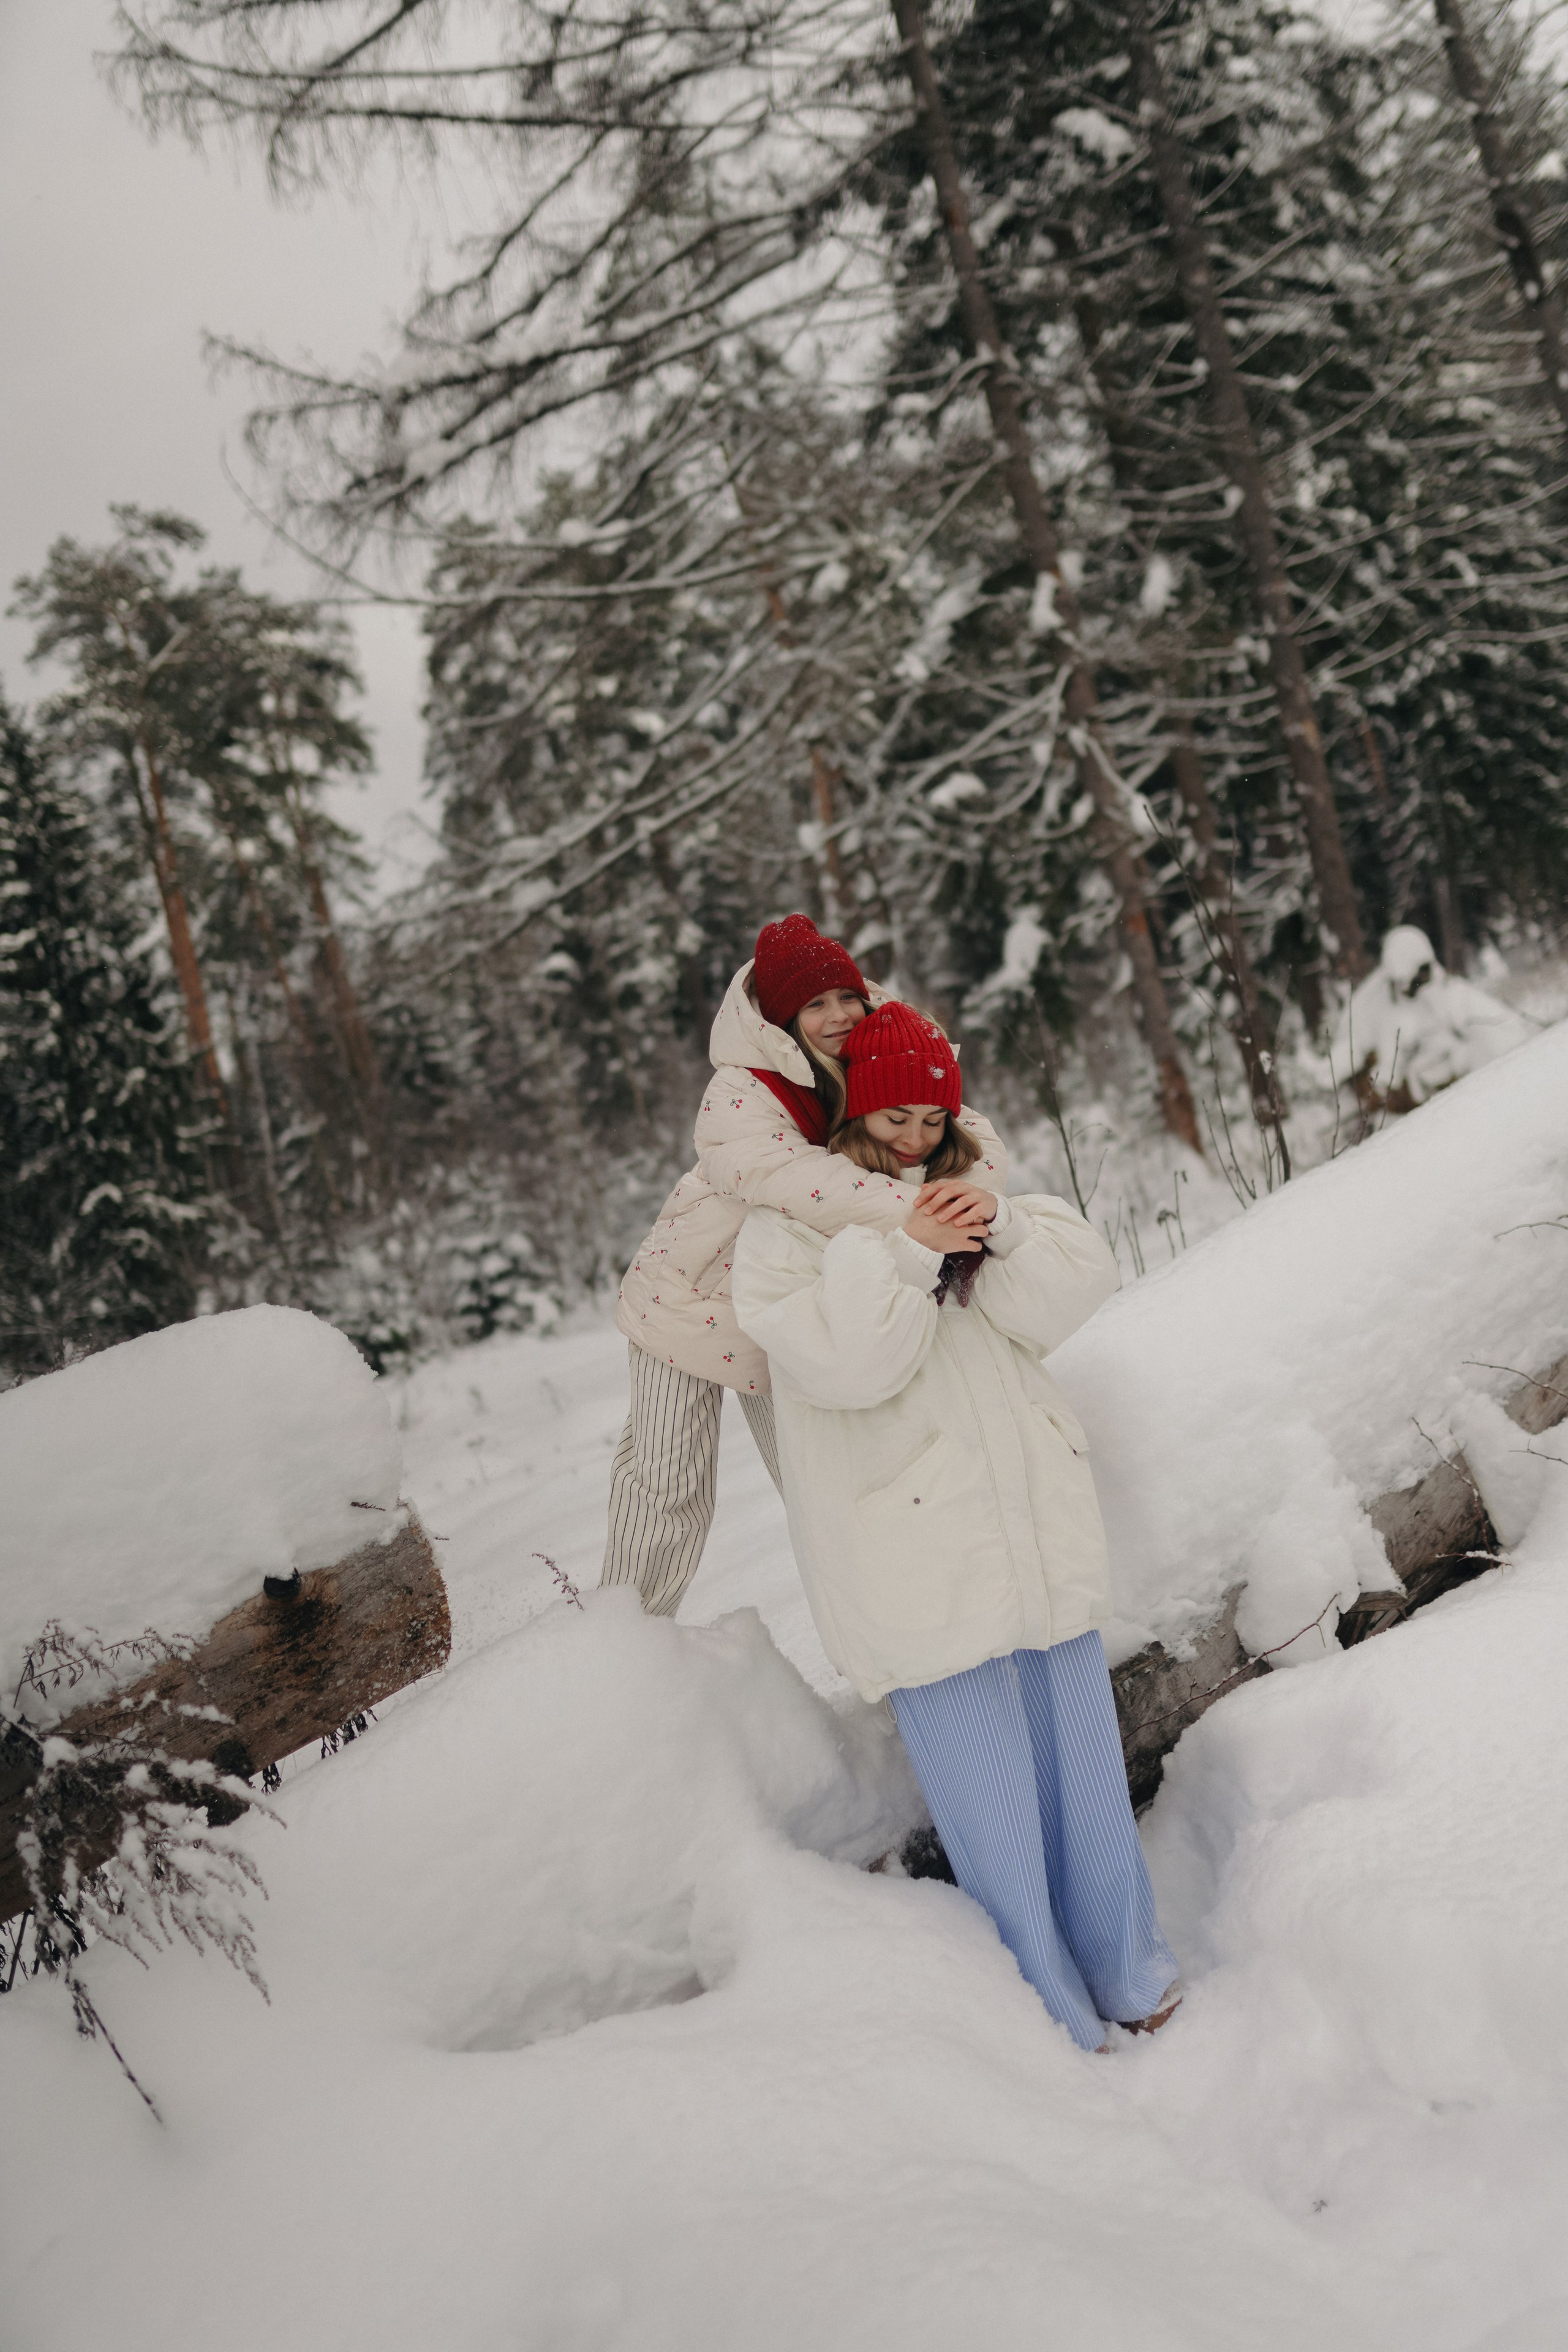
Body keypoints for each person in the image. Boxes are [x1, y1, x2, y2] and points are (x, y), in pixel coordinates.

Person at [731, 1000, 1180, 2052]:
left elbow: (1068, 1296)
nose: (916, 1134)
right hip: (917, 1555)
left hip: (1032, 1536)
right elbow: (847, 1366)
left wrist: (1003, 1221)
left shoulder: (974, 1182)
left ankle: (1131, 1970)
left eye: (935, 1113)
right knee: (999, 1830)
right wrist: (898, 1250)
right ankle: (1054, 2023)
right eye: (895, 1114)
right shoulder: (788, 1228)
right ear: (853, 1108)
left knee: (1088, 1795)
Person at [601, 916, 1009, 1615]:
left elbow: (966, 1133)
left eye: (846, 997)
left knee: (824, 1481)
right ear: (779, 1017)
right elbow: (787, 1177)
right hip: (691, 1297)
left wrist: (968, 1199)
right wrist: (910, 1214)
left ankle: (902, 1635)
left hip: (794, 1303)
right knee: (665, 1488)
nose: (838, 1016)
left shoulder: (886, 1044)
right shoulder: (742, 1089)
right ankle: (619, 1644)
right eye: (814, 1005)